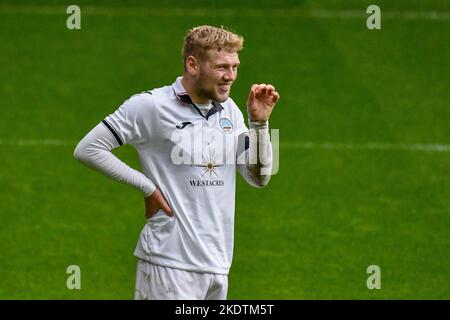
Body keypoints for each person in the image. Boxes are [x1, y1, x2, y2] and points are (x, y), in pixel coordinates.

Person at [73, 25, 280, 300]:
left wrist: (259, 123)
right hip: (168, 262)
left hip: (217, 263)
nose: (230, 77)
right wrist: (147, 187)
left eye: (234, 67)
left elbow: (258, 178)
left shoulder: (229, 109)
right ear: (193, 64)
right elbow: (88, 149)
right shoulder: (151, 105)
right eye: (221, 67)